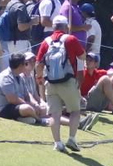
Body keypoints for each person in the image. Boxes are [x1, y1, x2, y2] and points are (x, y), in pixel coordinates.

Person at [35, 14, 86, 152]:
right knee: (75, 110)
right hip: (68, 81)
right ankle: (72, 139)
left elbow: (38, 63)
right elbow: (82, 56)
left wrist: (39, 78)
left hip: (50, 82)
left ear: (53, 27)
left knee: (54, 114)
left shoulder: (46, 41)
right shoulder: (71, 39)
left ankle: (57, 143)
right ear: (66, 26)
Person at [0, 52, 46, 123]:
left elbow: (27, 94)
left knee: (41, 108)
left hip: (18, 106)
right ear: (20, 65)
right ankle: (39, 120)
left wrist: (35, 105)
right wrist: (29, 105)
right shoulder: (5, 77)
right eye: (26, 64)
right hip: (5, 108)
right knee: (27, 108)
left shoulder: (20, 77)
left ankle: (25, 118)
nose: (27, 66)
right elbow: (12, 99)